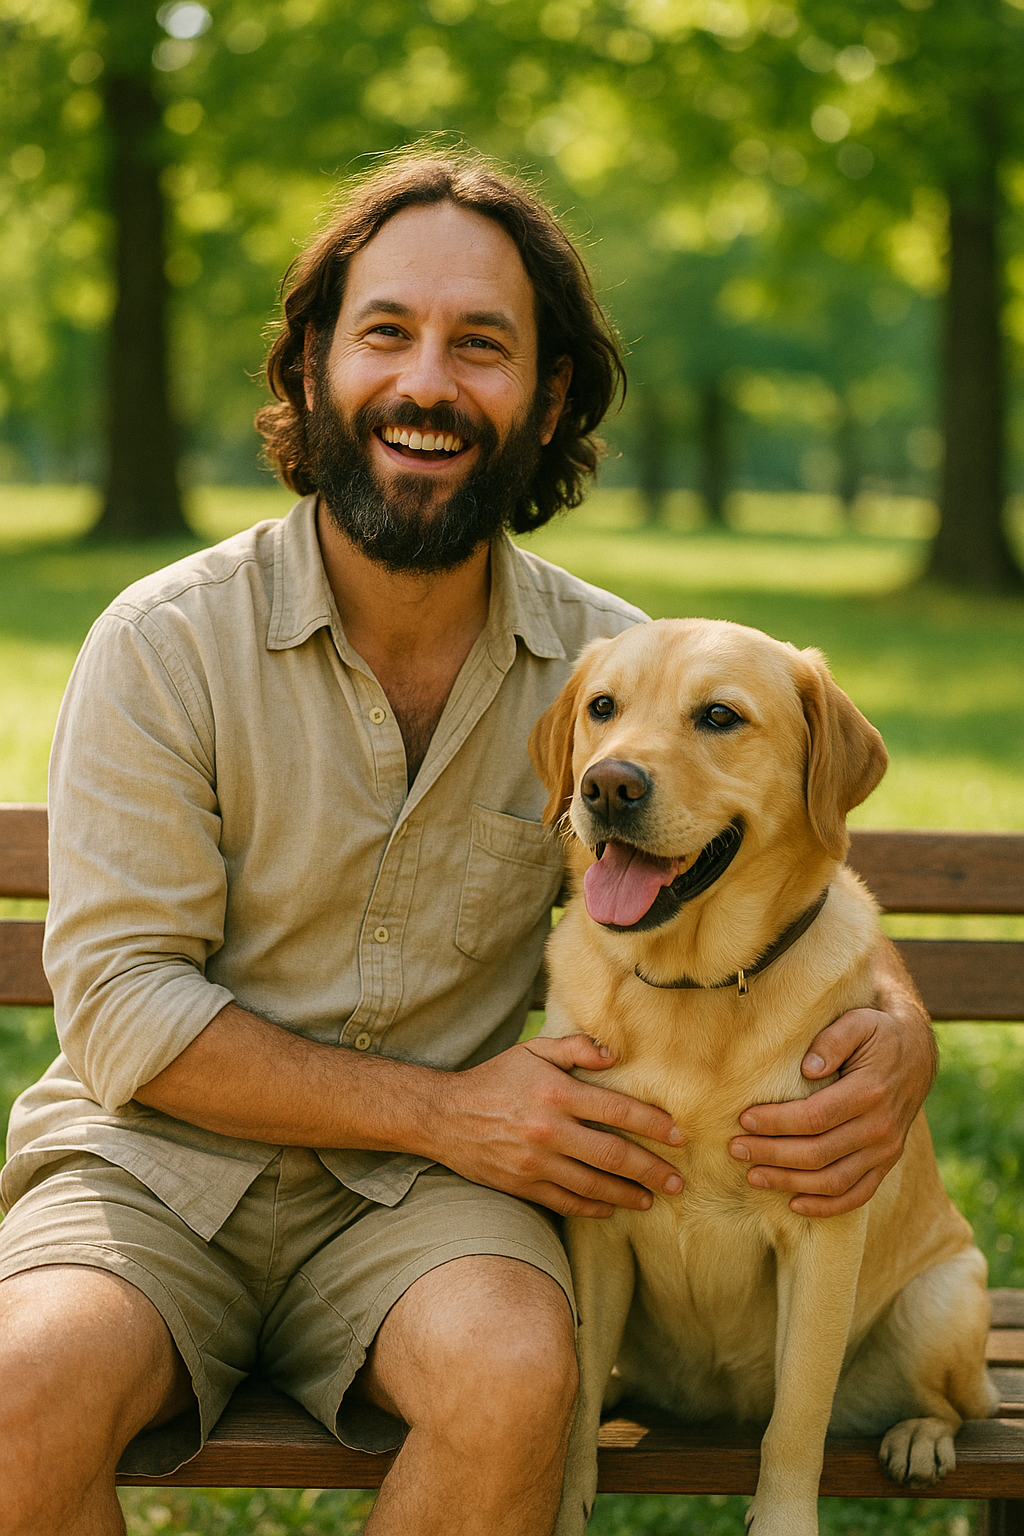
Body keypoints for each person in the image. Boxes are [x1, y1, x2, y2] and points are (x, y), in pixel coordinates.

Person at [0, 148, 936, 1536]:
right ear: (317, 363)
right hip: (157, 1167)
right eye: (386, 333)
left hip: (434, 1205)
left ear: (547, 394)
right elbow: (127, 1013)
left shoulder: (611, 675)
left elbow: (789, 865)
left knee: (514, 1379)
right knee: (23, 1385)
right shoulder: (166, 643)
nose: (428, 383)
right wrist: (449, 1109)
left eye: (481, 346)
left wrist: (900, 1031)